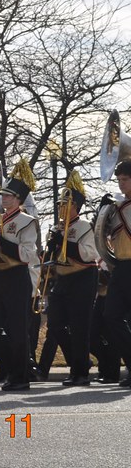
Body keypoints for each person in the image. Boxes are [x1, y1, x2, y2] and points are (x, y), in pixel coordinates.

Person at [0, 158, 39, 391]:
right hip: (0, 277)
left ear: (18, 200)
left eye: (7, 196)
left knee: (18, 330)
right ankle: (15, 365)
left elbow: (27, 254)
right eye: (3, 196)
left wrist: (1, 243)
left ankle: (20, 376)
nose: (3, 199)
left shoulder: (26, 221)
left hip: (17, 277)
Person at [46, 171, 100, 386]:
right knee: (55, 324)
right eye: (60, 204)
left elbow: (89, 255)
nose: (61, 208)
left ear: (75, 205)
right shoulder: (59, 227)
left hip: (83, 278)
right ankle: (80, 362)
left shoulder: (84, 226)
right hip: (63, 279)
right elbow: (54, 257)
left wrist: (65, 243)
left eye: (65, 204)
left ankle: (80, 372)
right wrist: (52, 247)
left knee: (79, 327)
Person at [102, 159, 131, 387]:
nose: (121, 184)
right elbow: (104, 236)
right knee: (111, 316)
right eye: (119, 180)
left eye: (125, 179)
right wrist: (101, 214)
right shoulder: (117, 207)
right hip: (120, 266)